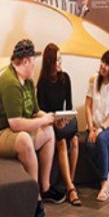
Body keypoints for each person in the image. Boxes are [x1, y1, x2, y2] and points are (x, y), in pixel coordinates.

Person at [0, 39, 58, 217]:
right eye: (33, 61)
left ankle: (45, 186)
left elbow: (35, 112)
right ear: (25, 62)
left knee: (48, 132)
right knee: (24, 139)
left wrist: (51, 118)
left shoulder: (28, 82)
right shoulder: (10, 83)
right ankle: (35, 198)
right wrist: (41, 121)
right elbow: (15, 124)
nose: (35, 65)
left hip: (10, 130)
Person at [37, 43, 81, 206]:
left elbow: (68, 105)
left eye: (61, 59)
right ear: (50, 62)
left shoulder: (65, 78)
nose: (60, 63)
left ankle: (71, 182)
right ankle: (70, 188)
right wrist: (56, 121)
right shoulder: (42, 83)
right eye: (57, 60)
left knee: (75, 140)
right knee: (61, 142)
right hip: (51, 122)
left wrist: (66, 118)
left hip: (64, 119)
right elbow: (41, 110)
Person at [85, 49, 109, 201]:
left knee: (100, 139)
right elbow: (87, 106)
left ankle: (104, 184)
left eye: (107, 64)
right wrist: (91, 129)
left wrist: (101, 128)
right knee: (89, 145)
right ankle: (108, 175)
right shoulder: (93, 79)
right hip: (94, 126)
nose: (103, 66)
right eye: (102, 62)